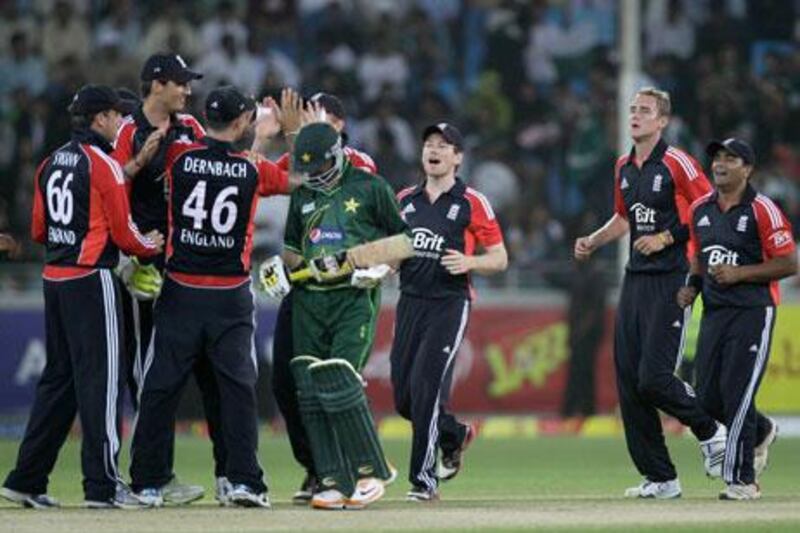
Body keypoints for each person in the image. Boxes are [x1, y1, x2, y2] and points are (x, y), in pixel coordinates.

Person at [0, 85, 163, 509]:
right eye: (116, 116)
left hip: (53, 279)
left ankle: (26, 478)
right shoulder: (104, 164)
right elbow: (127, 236)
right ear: (100, 119)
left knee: (60, 382)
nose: (121, 123)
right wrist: (152, 244)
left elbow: (38, 230)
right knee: (103, 384)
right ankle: (103, 487)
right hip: (92, 280)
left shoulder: (51, 162)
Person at [129, 85, 291, 508]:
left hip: (180, 290)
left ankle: (146, 483)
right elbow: (293, 181)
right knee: (237, 389)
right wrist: (279, 135)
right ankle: (243, 482)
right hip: (229, 297)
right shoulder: (252, 168)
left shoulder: (179, 158)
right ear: (240, 123)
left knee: (161, 387)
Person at [573, 87, 727, 499]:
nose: (636, 115)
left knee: (653, 377)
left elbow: (711, 210)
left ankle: (710, 429)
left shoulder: (677, 162)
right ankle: (661, 477)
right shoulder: (624, 165)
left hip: (672, 278)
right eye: (632, 110)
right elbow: (624, 218)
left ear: (662, 121)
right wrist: (595, 239)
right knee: (628, 381)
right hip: (635, 279)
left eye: (645, 111)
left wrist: (667, 237)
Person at [259, 122, 405, 510]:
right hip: (309, 302)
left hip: (352, 298)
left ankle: (371, 471)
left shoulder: (370, 187)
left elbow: (405, 242)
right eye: (310, 170)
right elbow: (294, 251)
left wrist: (376, 267)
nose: (317, 176)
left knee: (339, 377)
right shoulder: (304, 193)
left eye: (323, 167)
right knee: (308, 388)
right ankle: (332, 479)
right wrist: (281, 271)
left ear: (339, 153)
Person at [111, 52, 221, 505]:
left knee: (165, 373)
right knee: (145, 374)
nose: (188, 91)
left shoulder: (191, 129)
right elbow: (110, 186)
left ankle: (155, 474)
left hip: (180, 266)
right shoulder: (128, 131)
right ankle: (146, 479)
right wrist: (128, 256)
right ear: (157, 84)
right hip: (141, 267)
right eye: (180, 83)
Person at [391, 123, 507, 501]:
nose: (434, 150)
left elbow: (500, 259)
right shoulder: (405, 199)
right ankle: (455, 433)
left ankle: (423, 482)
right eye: (429, 144)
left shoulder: (472, 201)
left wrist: (470, 262)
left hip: (449, 304)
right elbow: (394, 249)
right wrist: (381, 265)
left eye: (443, 145)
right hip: (409, 302)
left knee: (425, 391)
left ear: (458, 157)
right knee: (404, 400)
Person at [677, 138, 795, 500]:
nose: (721, 164)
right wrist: (692, 287)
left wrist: (740, 274)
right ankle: (760, 430)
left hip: (752, 311)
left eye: (731, 158)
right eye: (717, 158)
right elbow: (700, 255)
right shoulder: (700, 209)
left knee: (738, 394)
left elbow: (789, 263)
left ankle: (742, 481)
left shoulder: (763, 209)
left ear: (748, 169)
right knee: (708, 399)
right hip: (714, 312)